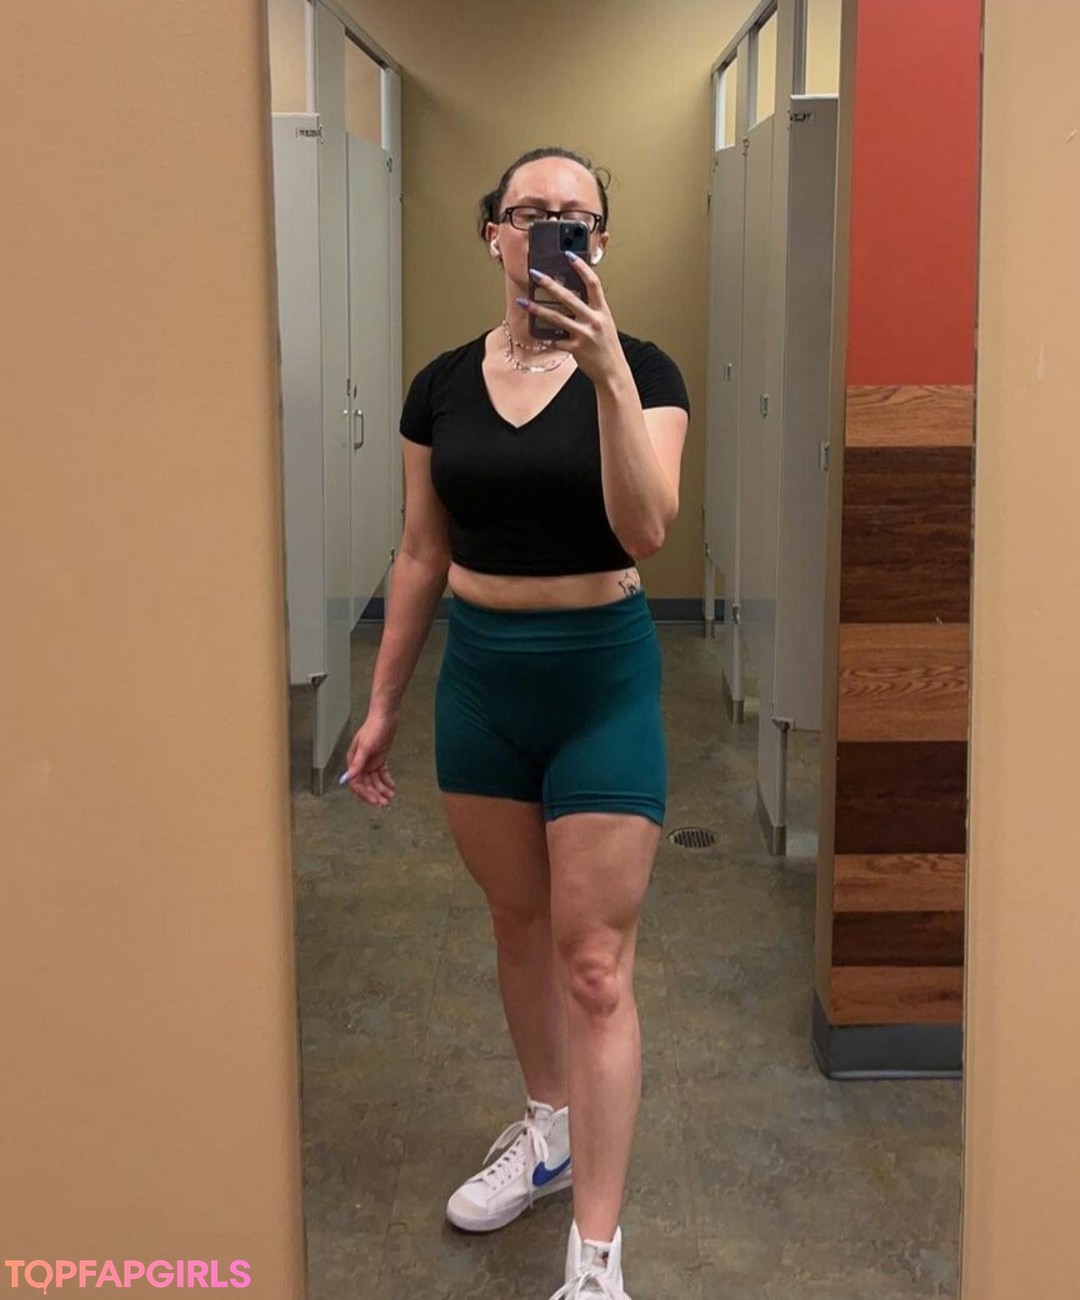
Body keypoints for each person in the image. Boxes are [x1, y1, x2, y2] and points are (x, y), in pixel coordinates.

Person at [343, 145, 689, 1300]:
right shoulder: (440, 385)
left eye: (574, 215)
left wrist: (606, 374)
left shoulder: (646, 369)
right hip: (483, 682)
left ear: (601, 241)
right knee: (517, 924)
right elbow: (420, 550)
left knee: (594, 965)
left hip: (600, 680)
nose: (550, 227)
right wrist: (383, 702)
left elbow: (647, 529)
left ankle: (595, 1259)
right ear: (494, 232)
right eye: (529, 211)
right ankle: (548, 1132)